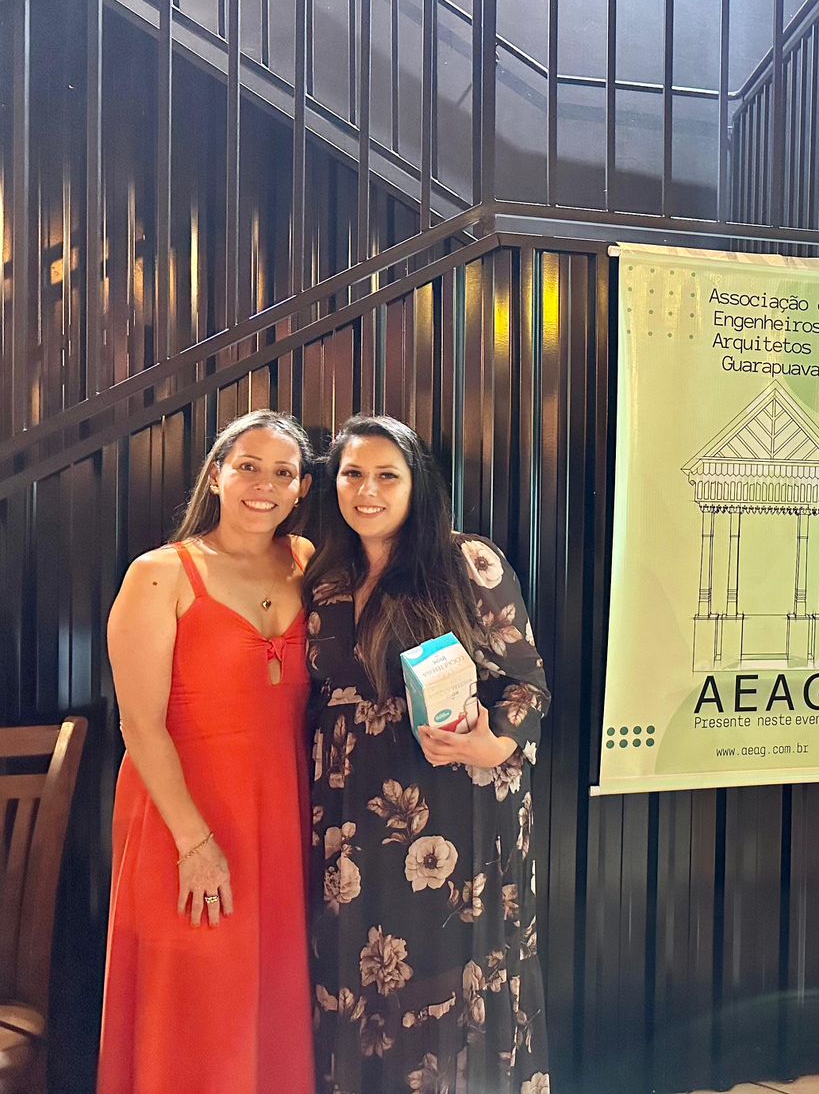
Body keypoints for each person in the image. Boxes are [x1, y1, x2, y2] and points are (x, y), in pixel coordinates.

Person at [302, 415, 551, 1094]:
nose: (368, 490)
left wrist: (494, 742)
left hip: (454, 798)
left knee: (449, 968)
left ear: (417, 483)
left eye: (388, 475)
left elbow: (527, 682)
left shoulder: (465, 560)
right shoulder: (325, 575)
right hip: (348, 809)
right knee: (360, 968)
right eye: (353, 474)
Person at [99, 410, 316, 1094]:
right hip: (184, 818)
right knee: (195, 1005)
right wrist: (194, 842)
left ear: (302, 489)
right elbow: (140, 725)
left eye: (282, 472)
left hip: (283, 816)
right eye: (247, 466)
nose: (263, 484)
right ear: (217, 475)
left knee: (274, 1003)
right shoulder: (160, 573)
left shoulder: (308, 562)